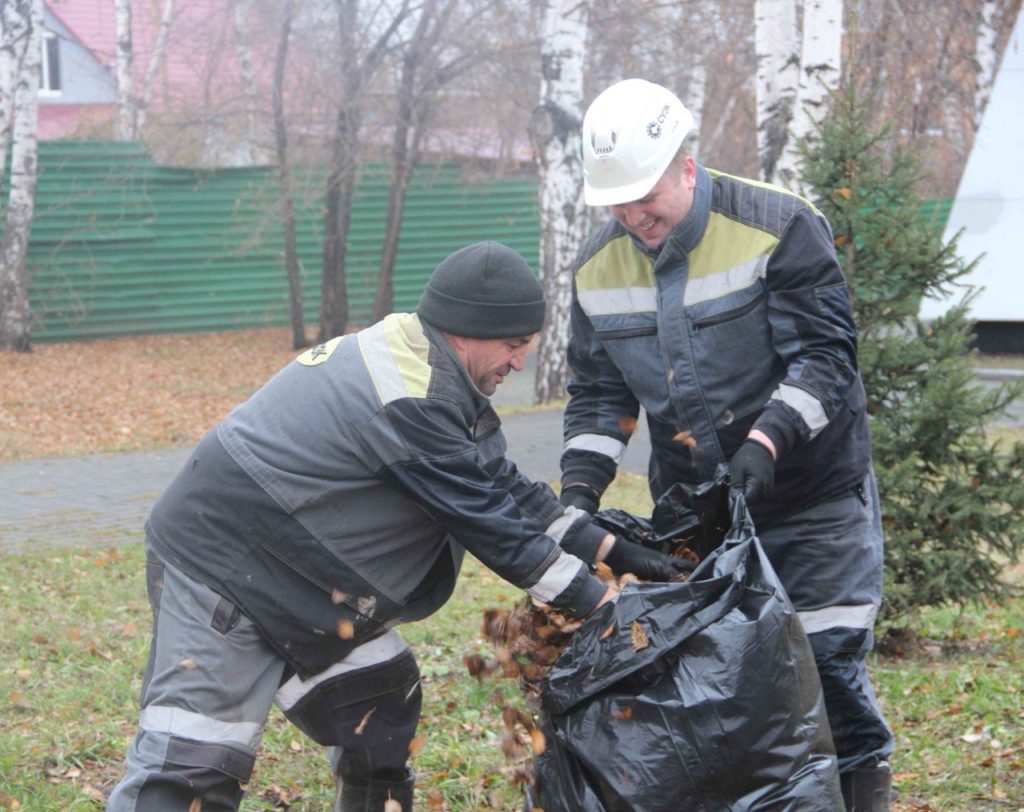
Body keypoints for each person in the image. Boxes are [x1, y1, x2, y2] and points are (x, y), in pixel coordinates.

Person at [106, 241, 687, 812]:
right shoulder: (411, 395)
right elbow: (492, 527)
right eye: (513, 346)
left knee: (382, 707)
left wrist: (625, 554)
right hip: (228, 566)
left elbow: (509, 493)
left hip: (305, 579)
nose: (519, 362)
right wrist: (608, 606)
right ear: (467, 329)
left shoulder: (436, 370)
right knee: (192, 765)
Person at [558, 79, 895, 810]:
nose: (632, 215)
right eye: (615, 201)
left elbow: (826, 357)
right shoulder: (595, 268)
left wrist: (769, 441)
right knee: (730, 695)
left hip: (812, 501)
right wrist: (579, 494)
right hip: (698, 517)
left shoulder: (779, 226)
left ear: (686, 165)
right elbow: (598, 396)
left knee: (829, 674)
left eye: (645, 194)